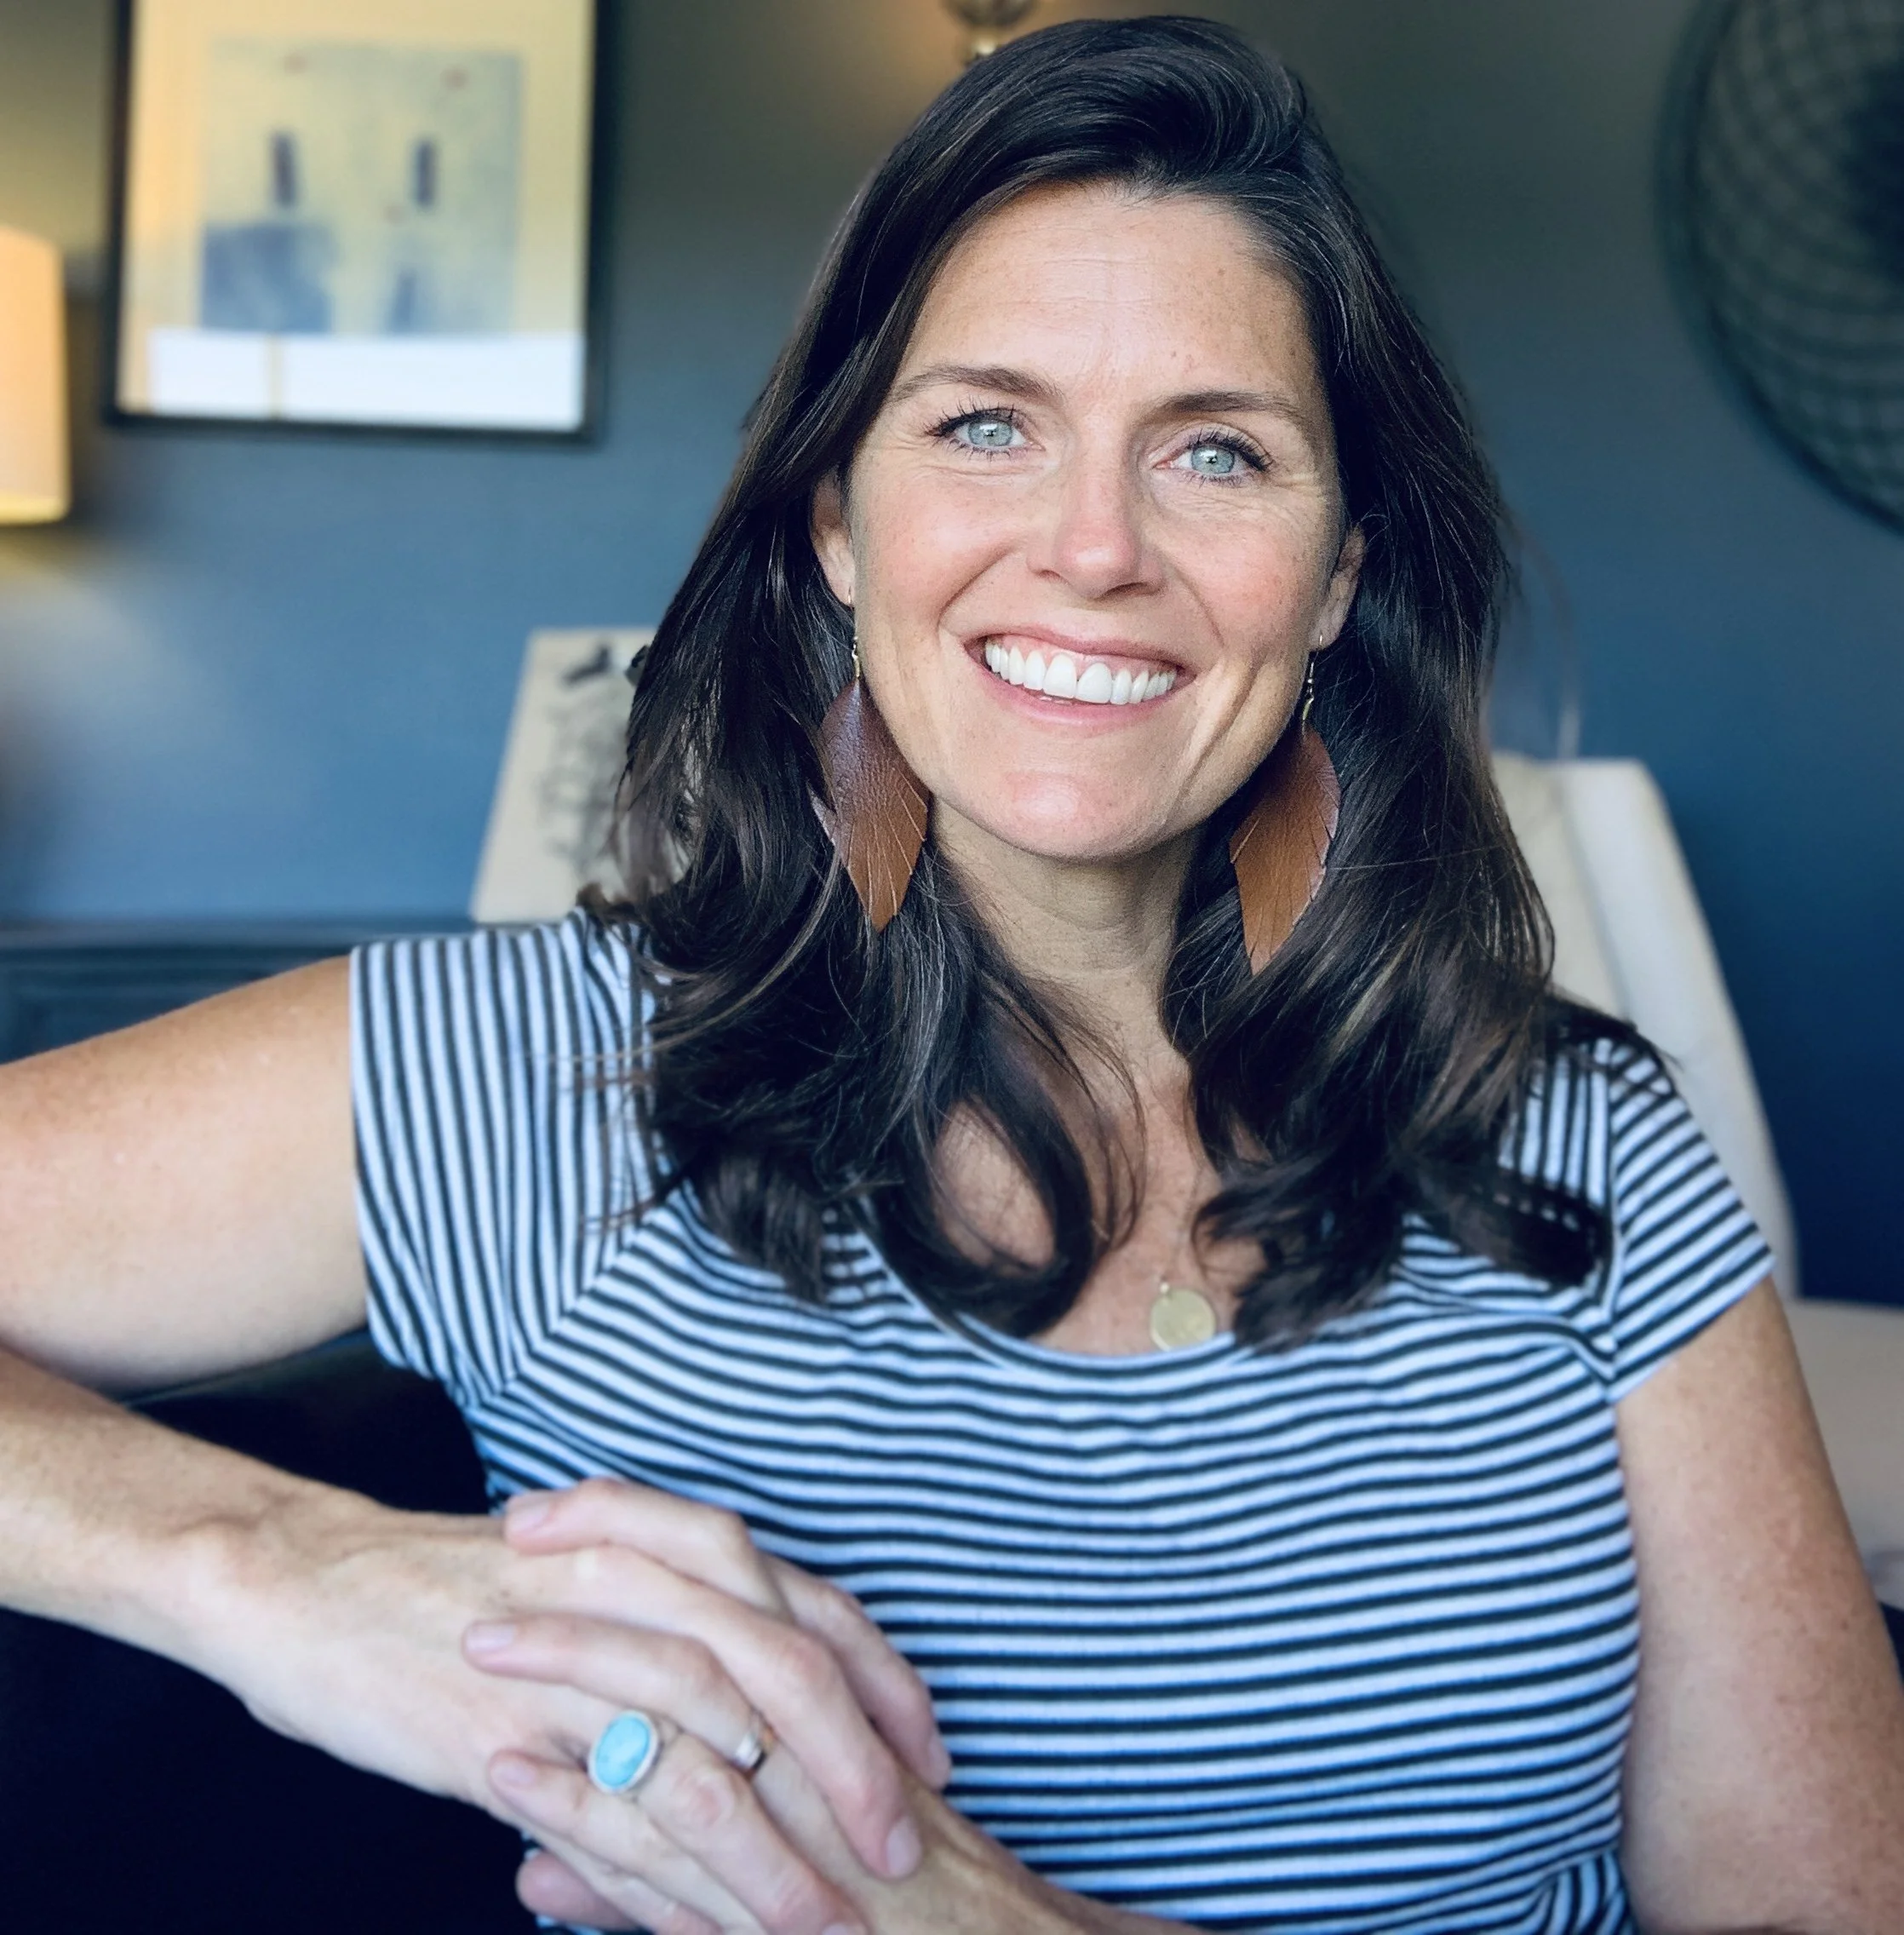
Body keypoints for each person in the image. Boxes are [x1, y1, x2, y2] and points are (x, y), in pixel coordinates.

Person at [2, 17, 1901, 1935]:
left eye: (1217, 453)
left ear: (1333, 573)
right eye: (984, 423)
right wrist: (266, 1562)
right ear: (836, 515)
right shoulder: (527, 1073)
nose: (1090, 548)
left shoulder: (1577, 1136)